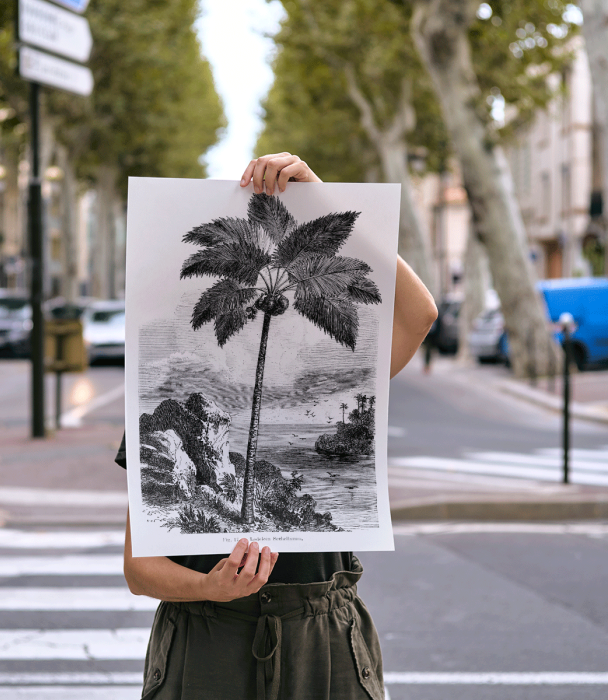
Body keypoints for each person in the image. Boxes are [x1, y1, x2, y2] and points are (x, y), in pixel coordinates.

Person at [116, 153, 438, 700]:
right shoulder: (163, 403)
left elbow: (420, 314)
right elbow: (139, 566)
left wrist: (326, 201)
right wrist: (207, 587)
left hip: (322, 634)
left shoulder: (346, 378)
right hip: (205, 633)